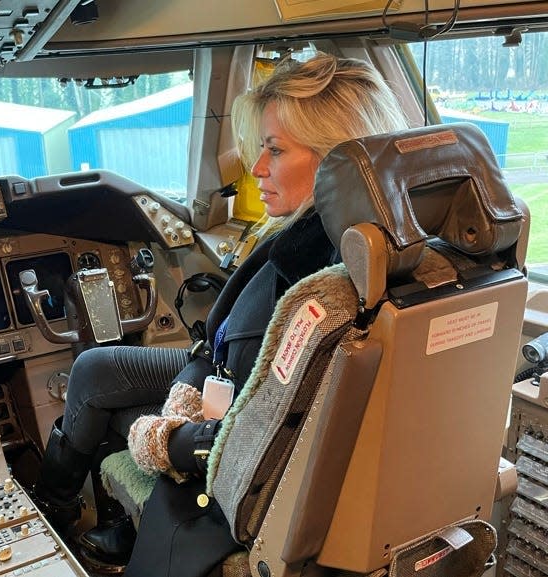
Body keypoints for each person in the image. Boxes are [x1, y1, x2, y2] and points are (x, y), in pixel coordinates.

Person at [31, 52, 408, 575]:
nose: (255, 168)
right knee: (94, 369)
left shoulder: (323, 284)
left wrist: (166, 437)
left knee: (110, 403)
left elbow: (257, 430)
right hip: (223, 371)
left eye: (274, 151)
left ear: (336, 161)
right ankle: (58, 505)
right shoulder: (322, 235)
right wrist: (188, 387)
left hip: (234, 416)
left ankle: (116, 521)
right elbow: (225, 347)